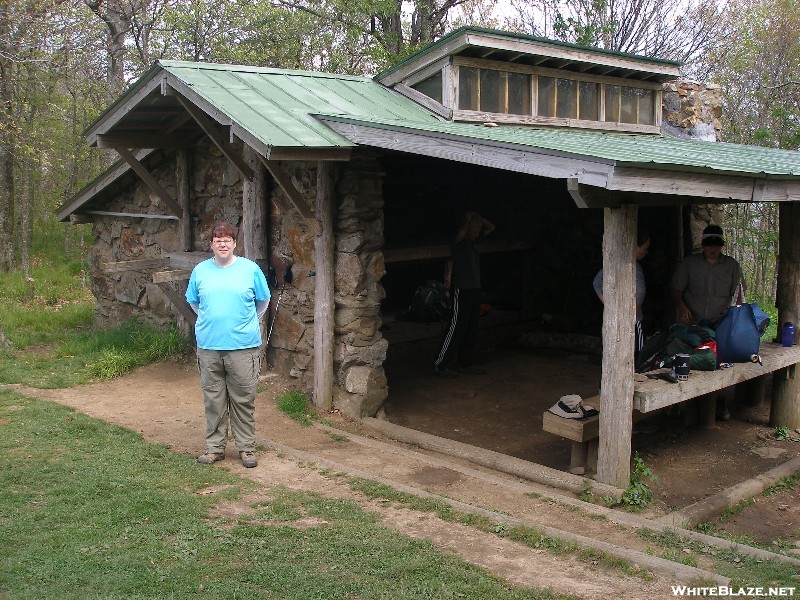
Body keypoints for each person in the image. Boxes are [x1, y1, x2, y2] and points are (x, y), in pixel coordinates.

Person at [185, 221, 270, 468]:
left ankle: (246, 448)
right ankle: (215, 448)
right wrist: (211, 320)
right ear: (211, 245)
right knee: (213, 399)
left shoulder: (250, 270)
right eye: (217, 240)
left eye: (227, 240)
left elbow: (263, 302)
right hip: (209, 346)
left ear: (234, 244)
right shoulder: (200, 271)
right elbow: (194, 302)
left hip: (242, 346)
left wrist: (247, 322)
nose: (223, 244)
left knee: (243, 398)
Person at [433, 211, 495, 378]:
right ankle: (441, 364)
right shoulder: (459, 243)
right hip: (462, 289)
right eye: (474, 231)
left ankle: (465, 363)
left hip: (475, 288)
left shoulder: (475, 242)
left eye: (477, 231)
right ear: (467, 230)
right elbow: (460, 234)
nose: (476, 234)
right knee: (456, 326)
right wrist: (468, 220)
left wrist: (478, 217)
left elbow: (491, 227)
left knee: (471, 327)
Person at [670, 224, 743, 328]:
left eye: (716, 245)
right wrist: (682, 307)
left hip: (721, 324)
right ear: (703, 245)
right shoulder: (689, 263)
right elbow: (676, 289)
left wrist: (736, 316)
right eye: (709, 245)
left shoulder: (732, 266)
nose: (713, 249)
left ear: (722, 246)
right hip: (692, 323)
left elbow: (738, 295)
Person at [593, 232, 650, 355]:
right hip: (632, 319)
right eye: (644, 248)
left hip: (616, 317)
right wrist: (633, 309)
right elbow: (640, 290)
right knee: (637, 353)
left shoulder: (613, 263)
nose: (646, 252)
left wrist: (609, 306)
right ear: (635, 246)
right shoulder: (634, 267)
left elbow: (597, 282)